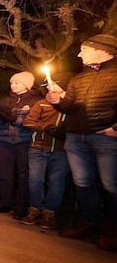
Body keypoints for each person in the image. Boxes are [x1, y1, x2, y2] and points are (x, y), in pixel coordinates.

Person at [45, 33, 117, 251]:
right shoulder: (79, 79)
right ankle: (86, 224)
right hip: (76, 137)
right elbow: (69, 108)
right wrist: (58, 101)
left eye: (84, 49)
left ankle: (112, 231)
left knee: (111, 185)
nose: (78, 54)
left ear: (103, 51)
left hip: (106, 137)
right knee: (83, 182)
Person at [0, 71, 42, 219]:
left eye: (17, 83)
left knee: (24, 175)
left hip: (24, 141)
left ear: (27, 85)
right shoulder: (3, 100)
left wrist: (15, 118)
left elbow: (34, 122)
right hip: (3, 141)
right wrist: (0, 117)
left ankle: (22, 206)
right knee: (4, 174)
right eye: (12, 82)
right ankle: (4, 202)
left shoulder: (36, 101)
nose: (13, 85)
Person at [21, 72, 72, 229]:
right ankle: (34, 210)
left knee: (56, 182)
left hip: (61, 149)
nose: (49, 87)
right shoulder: (42, 103)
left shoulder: (71, 106)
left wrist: (66, 131)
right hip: (38, 147)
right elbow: (28, 121)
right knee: (35, 179)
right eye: (48, 84)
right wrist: (46, 127)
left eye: (53, 84)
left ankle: (49, 213)